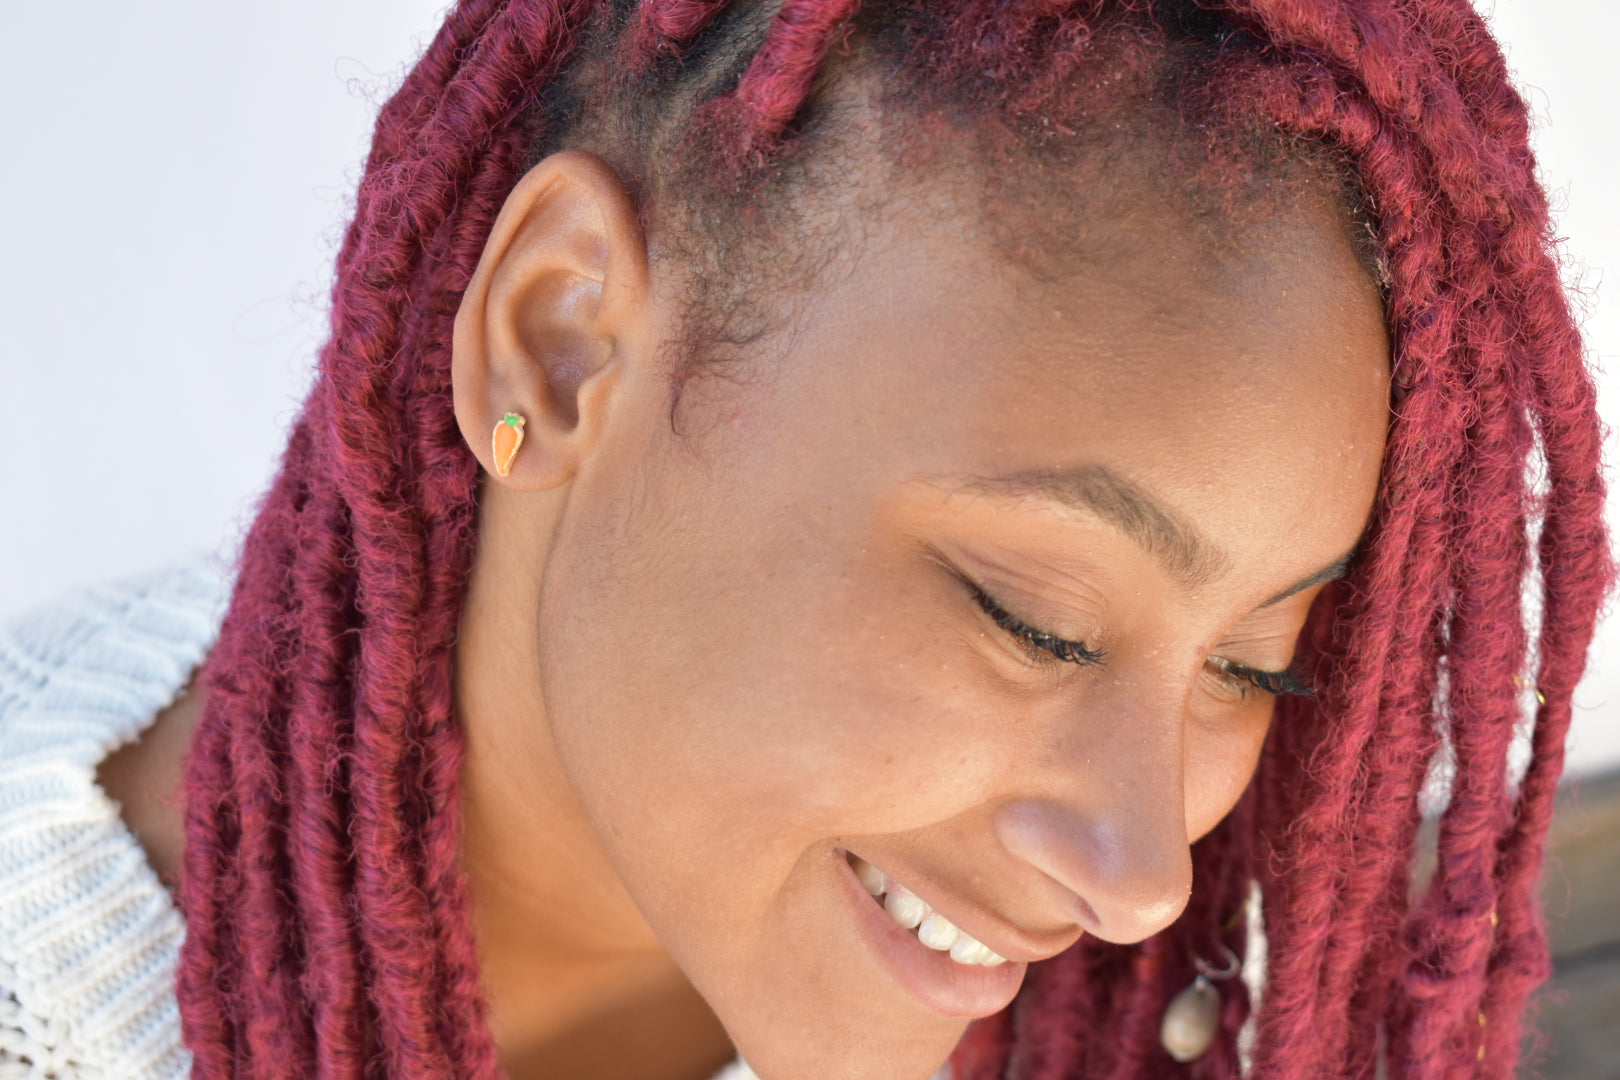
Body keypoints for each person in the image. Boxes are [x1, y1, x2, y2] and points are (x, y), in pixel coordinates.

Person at [0, 1, 1609, 1078]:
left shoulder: (1216, 1010)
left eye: (1262, 665)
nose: (1138, 877)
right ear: (561, 348)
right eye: (1031, 615)